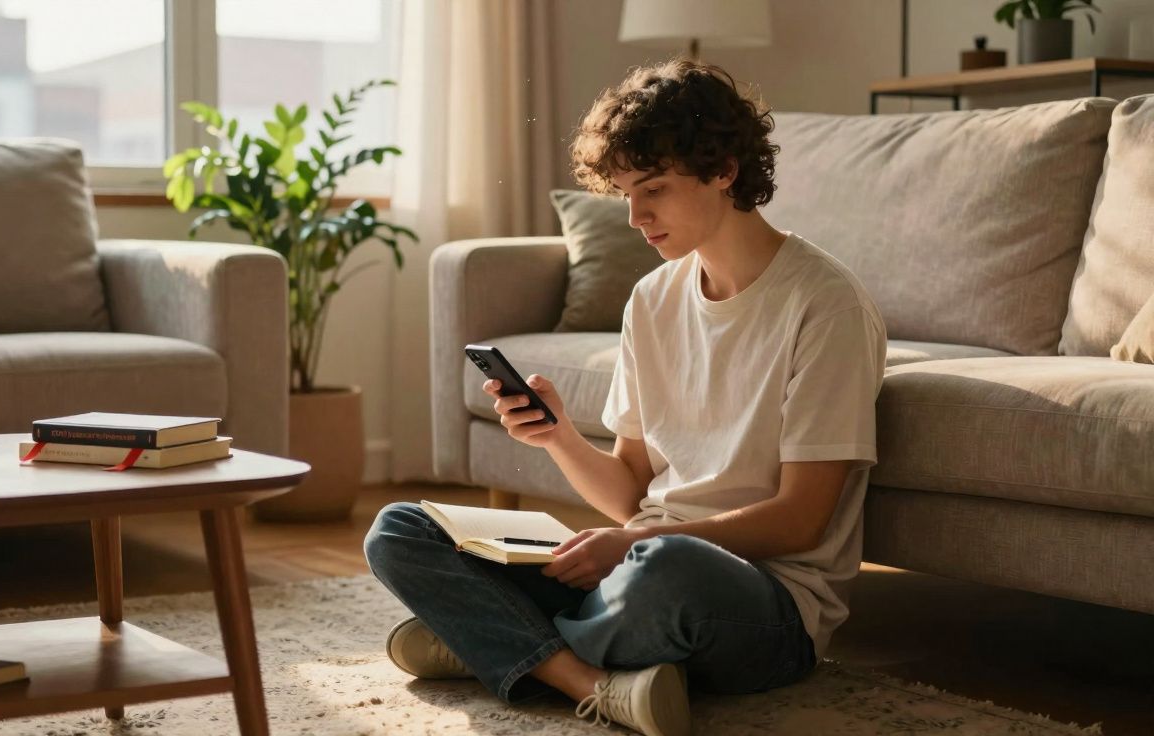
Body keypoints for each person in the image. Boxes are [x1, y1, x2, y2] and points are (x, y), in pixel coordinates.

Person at [363, 59, 886, 736]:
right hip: (633, 571)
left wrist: (630, 547)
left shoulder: (825, 305)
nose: (636, 218)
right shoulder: (653, 299)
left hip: (757, 605)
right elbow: (627, 493)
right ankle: (585, 679)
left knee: (661, 567)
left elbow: (799, 522)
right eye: (624, 195)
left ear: (725, 170)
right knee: (401, 528)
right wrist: (558, 438)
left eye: (655, 190)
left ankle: (488, 643)